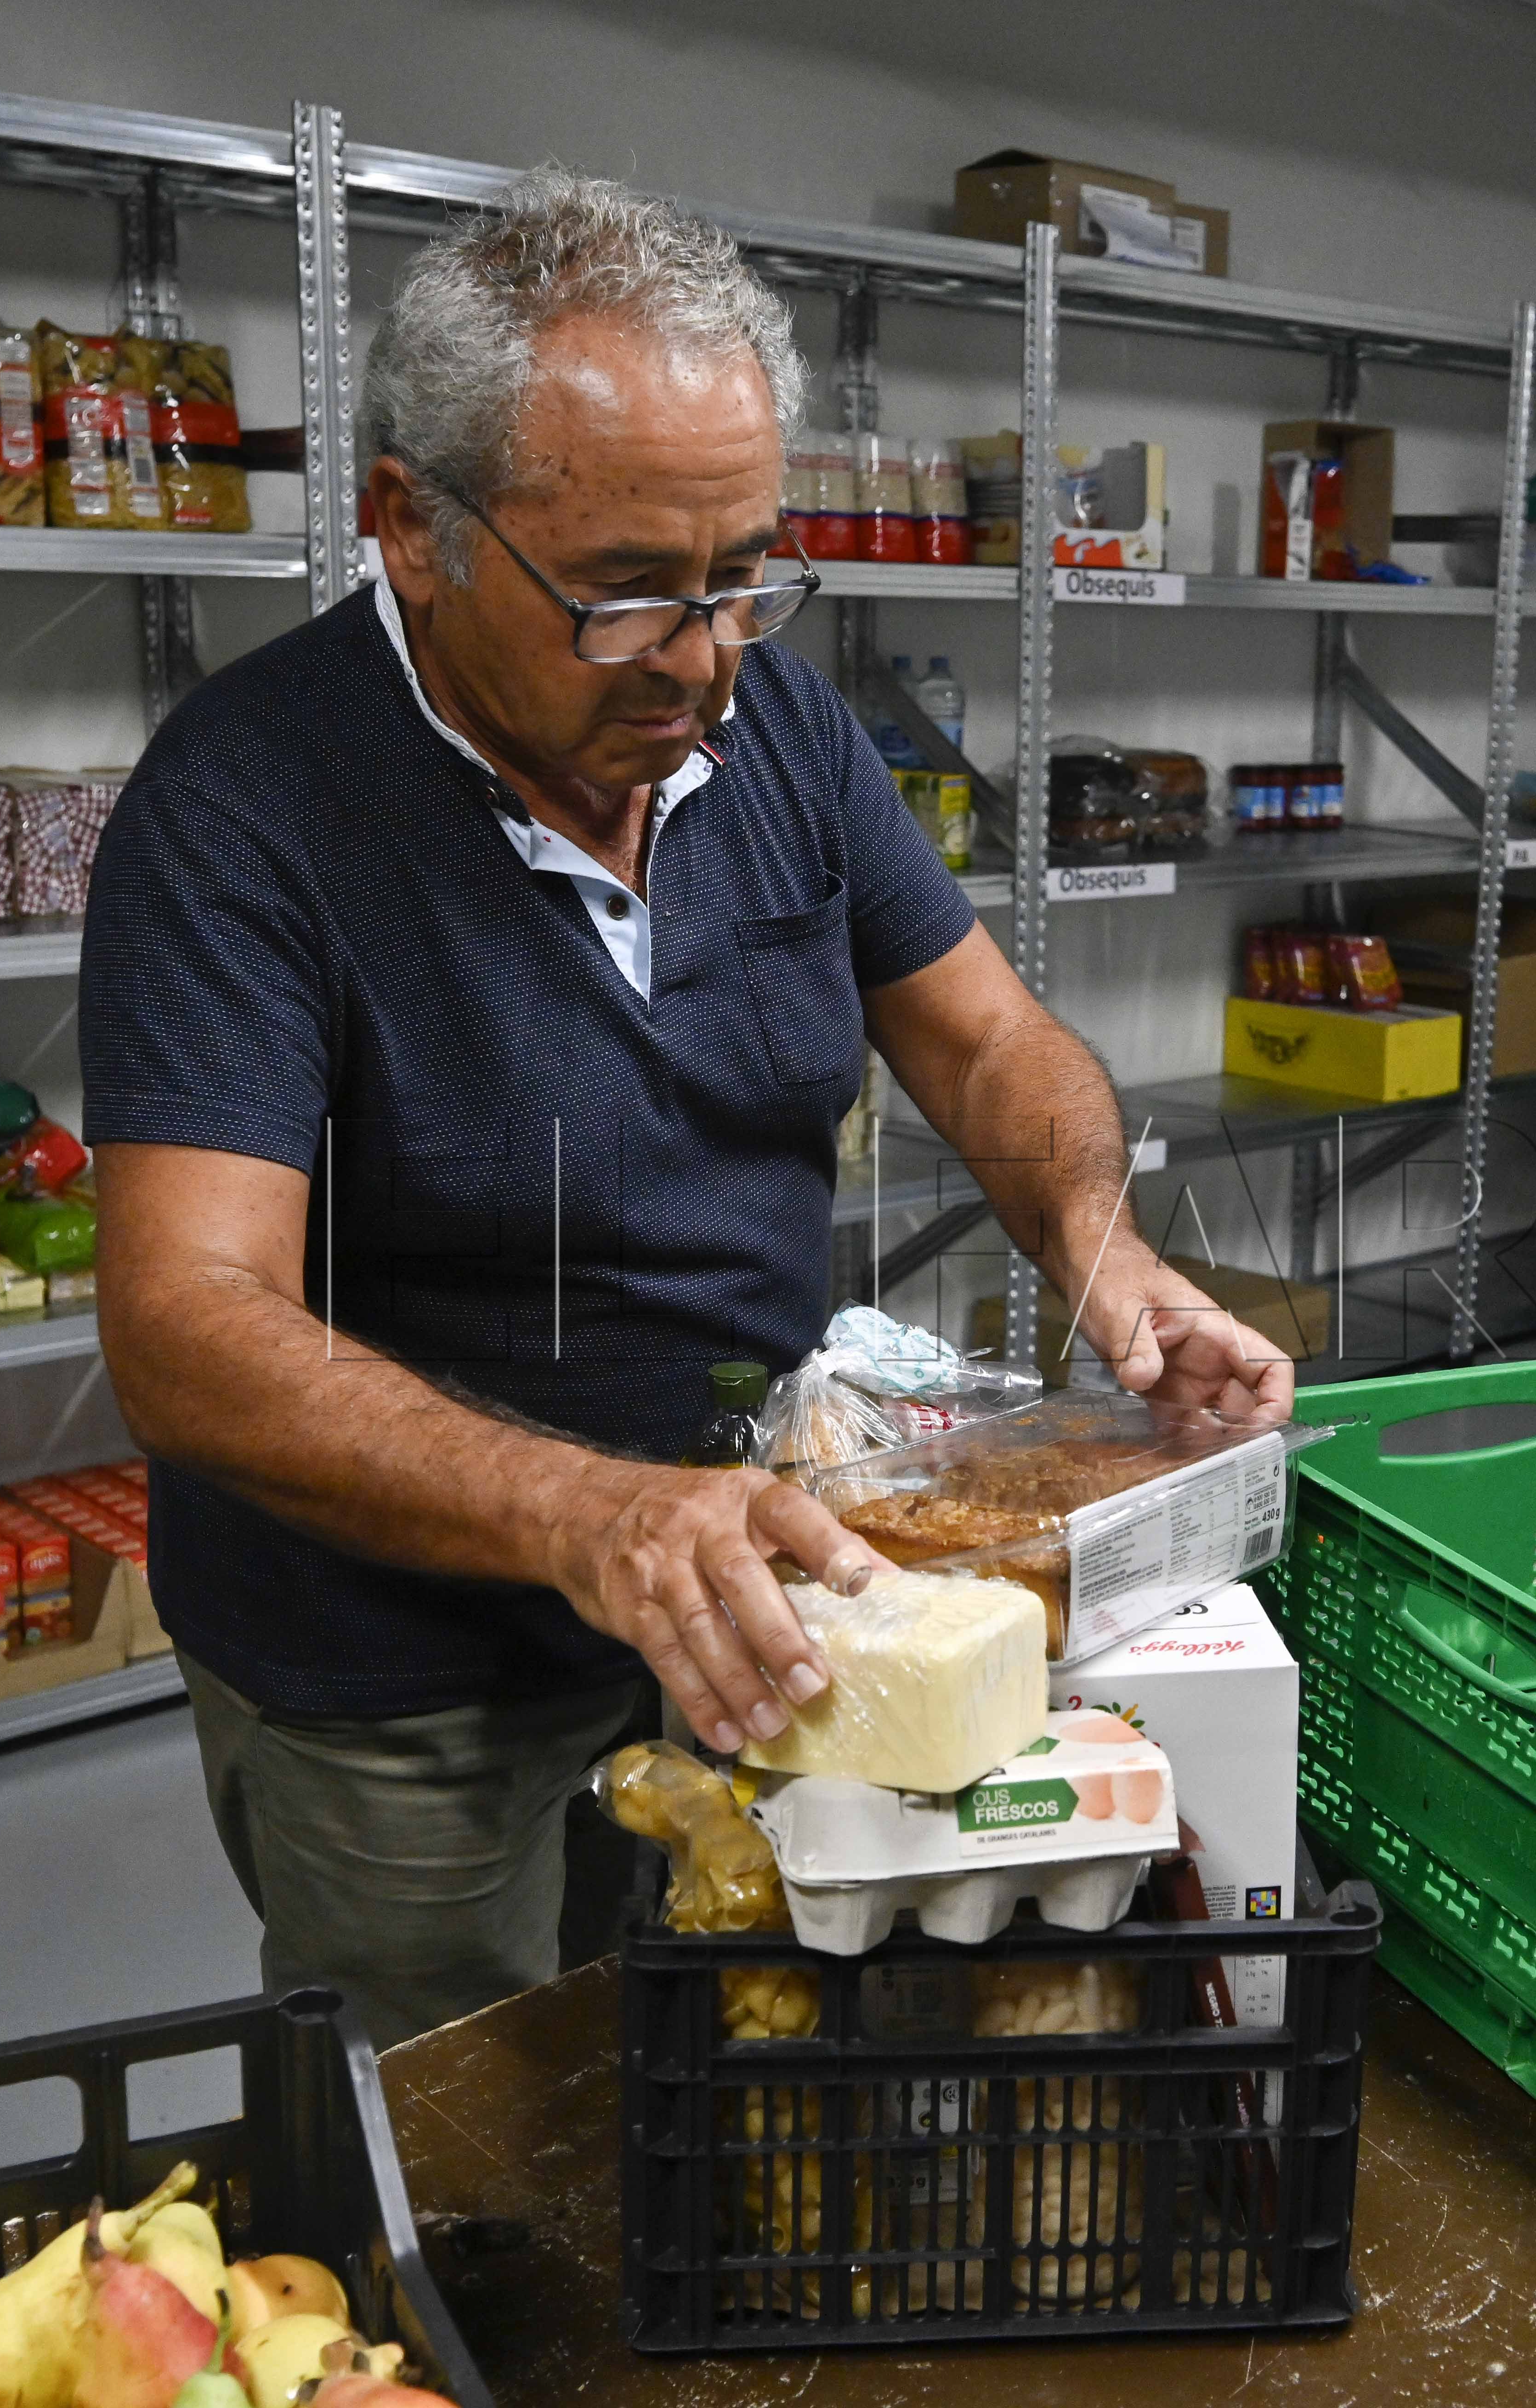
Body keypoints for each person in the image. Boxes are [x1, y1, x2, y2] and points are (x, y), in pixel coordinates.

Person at [80, 171, 1292, 2045]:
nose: (708, 654)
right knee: (471, 2138)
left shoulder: (781, 731)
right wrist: (591, 1514)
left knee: (738, 2055)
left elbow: (987, 1041)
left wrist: (1102, 1241)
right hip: (403, 1679)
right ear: (409, 524)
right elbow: (187, 1323)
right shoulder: (246, 809)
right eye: (630, 591)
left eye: (745, 574)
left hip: (761, 1591)